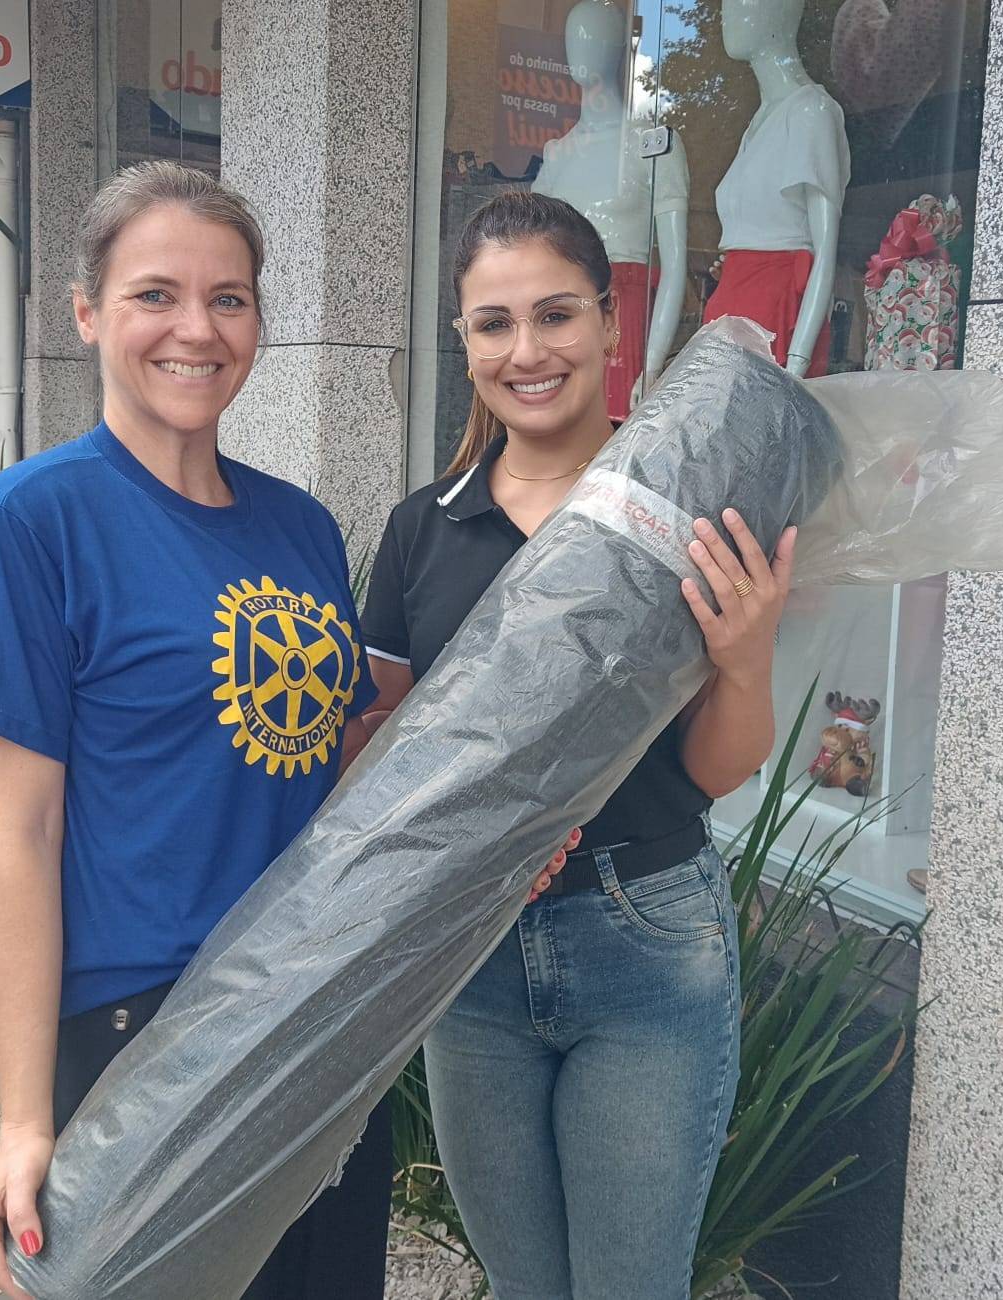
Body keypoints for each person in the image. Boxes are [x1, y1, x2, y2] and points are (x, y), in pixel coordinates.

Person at [0, 162, 568, 1300]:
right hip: (144, 1029)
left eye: (227, 298)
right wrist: (25, 1121)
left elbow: (335, 772)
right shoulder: (30, 521)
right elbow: (14, 841)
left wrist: (491, 836)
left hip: (318, 1005)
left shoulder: (300, 525)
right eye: (154, 294)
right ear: (85, 314)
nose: (197, 328)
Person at [360, 191, 796, 1300]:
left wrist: (745, 659)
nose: (527, 351)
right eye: (494, 323)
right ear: (463, 341)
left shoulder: (685, 510)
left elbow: (712, 771)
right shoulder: (421, 530)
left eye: (555, 314)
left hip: (644, 938)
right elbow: (379, 758)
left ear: (609, 321)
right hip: (470, 961)